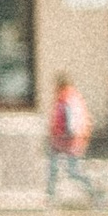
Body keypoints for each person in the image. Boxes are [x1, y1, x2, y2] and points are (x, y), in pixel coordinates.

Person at [46, 72, 93, 201]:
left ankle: (95, 193)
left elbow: (70, 121)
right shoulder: (69, 97)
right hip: (63, 139)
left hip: (68, 140)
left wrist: (67, 136)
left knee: (72, 172)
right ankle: (50, 196)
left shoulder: (67, 98)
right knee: (53, 168)